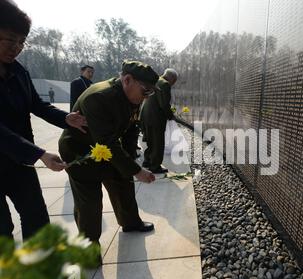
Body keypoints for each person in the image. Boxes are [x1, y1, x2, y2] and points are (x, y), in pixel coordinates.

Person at [0, 0, 87, 240]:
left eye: (21, 42)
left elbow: (37, 105)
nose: (15, 47)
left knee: (36, 217)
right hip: (19, 153)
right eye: (9, 39)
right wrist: (39, 154)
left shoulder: (18, 71)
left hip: (18, 162)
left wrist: (67, 118)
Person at [58, 60, 159, 244]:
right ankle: (89, 245)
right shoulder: (99, 97)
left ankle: (130, 222)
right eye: (145, 91)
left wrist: (129, 165)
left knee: (123, 181)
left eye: (150, 93)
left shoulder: (132, 97)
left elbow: (130, 130)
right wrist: (137, 171)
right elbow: (107, 142)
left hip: (105, 149)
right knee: (89, 202)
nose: (146, 97)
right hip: (79, 151)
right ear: (127, 80)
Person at [140, 68, 178, 173]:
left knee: (150, 140)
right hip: (155, 118)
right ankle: (155, 166)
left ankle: (147, 161)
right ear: (172, 78)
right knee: (157, 142)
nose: (173, 83)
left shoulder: (156, 81)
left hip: (146, 115)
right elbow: (164, 104)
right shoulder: (165, 84)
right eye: (174, 81)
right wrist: (171, 115)